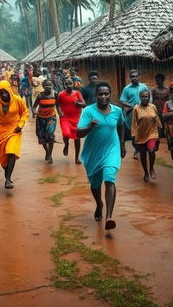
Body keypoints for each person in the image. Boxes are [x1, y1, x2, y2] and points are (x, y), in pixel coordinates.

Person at [76, 81, 125, 230]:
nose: (103, 97)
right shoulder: (88, 112)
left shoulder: (117, 111)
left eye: (106, 94)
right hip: (93, 152)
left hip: (112, 150)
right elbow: (78, 133)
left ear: (110, 95)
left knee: (109, 179)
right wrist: (90, 126)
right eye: (100, 94)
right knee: (95, 183)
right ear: (96, 96)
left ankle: (109, 217)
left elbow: (121, 126)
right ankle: (99, 204)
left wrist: (122, 143)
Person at [0, 80, 28, 189]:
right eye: (1, 92)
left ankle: (8, 179)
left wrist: (21, 124)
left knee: (11, 151)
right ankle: (7, 172)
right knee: (3, 157)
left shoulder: (18, 100)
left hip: (14, 129)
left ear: (9, 90)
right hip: (0, 130)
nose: (3, 95)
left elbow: (24, 112)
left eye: (5, 92)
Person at [131, 88, 162, 182]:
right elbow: (134, 123)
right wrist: (134, 136)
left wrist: (159, 136)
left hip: (152, 133)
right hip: (141, 135)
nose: (145, 98)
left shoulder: (153, 107)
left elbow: (157, 120)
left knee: (151, 151)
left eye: (147, 96)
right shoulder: (136, 108)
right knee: (143, 155)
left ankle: (151, 168)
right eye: (143, 96)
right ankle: (146, 172)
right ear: (140, 97)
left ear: (149, 97)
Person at [120, 69, 148, 159]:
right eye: (132, 77)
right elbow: (122, 100)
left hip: (143, 113)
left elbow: (148, 97)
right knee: (134, 134)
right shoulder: (126, 89)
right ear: (130, 78)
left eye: (136, 76)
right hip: (132, 115)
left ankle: (142, 149)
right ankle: (136, 150)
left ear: (139, 77)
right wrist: (133, 106)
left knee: (143, 131)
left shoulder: (144, 87)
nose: (134, 78)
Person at [57, 78, 86, 164]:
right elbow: (58, 105)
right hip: (65, 118)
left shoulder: (77, 93)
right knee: (66, 134)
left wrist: (78, 104)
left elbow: (84, 104)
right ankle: (66, 144)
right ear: (64, 85)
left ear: (73, 84)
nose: (68, 85)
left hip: (76, 118)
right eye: (67, 84)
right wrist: (59, 113)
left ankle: (77, 158)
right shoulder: (61, 94)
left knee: (77, 138)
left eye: (70, 83)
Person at [33, 78, 58, 163]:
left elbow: (58, 105)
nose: (48, 87)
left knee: (50, 135)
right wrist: (34, 112)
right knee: (42, 137)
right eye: (46, 85)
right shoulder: (40, 95)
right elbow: (34, 106)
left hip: (51, 117)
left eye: (50, 85)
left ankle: (50, 155)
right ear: (43, 86)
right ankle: (47, 152)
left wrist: (60, 113)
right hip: (40, 118)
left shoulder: (55, 94)